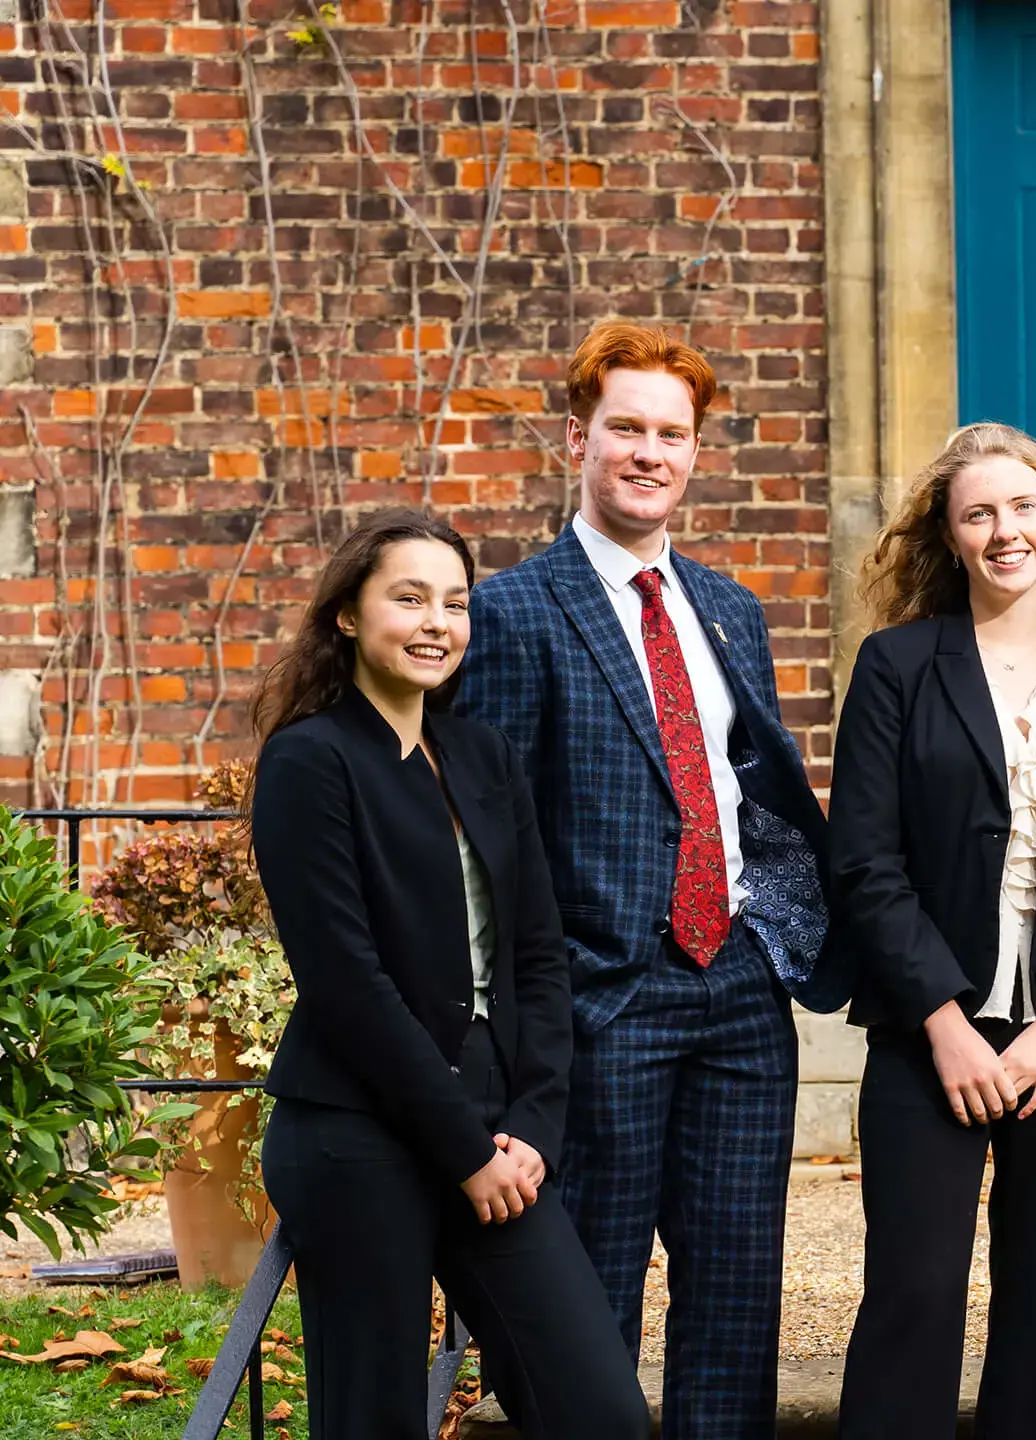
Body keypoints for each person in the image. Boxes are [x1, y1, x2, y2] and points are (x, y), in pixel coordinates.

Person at [451, 322, 845, 1439]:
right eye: (625, 427)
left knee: (733, 1295)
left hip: (738, 994)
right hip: (600, 1001)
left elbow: (747, 789)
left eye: (671, 434)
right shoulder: (516, 613)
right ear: (578, 439)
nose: (648, 452)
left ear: (694, 454)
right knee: (592, 1299)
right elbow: (491, 841)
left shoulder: (731, 608)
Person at [250, 509, 647, 1438]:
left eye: (455, 603)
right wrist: (463, 1150)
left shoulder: (483, 754)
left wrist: (532, 1126)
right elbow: (346, 985)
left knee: (602, 1410)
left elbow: (540, 956)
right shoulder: (309, 761)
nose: (437, 622)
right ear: (347, 615)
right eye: (409, 598)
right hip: (359, 1135)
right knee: (373, 1421)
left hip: (500, 1143)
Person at [827, 422, 1036, 1439]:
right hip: (932, 1032)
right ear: (952, 534)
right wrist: (944, 1019)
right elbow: (864, 861)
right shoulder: (896, 667)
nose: (1005, 530)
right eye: (980, 513)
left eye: (1023, 507)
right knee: (915, 1296)